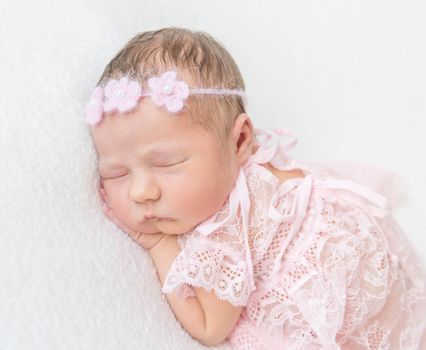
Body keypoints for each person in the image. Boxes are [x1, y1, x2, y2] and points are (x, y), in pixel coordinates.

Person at [86, 27, 426, 349]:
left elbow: (209, 326)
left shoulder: (226, 225)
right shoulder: (252, 170)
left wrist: (160, 245)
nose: (141, 191)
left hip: (348, 296)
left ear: (240, 140)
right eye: (116, 173)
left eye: (166, 164)